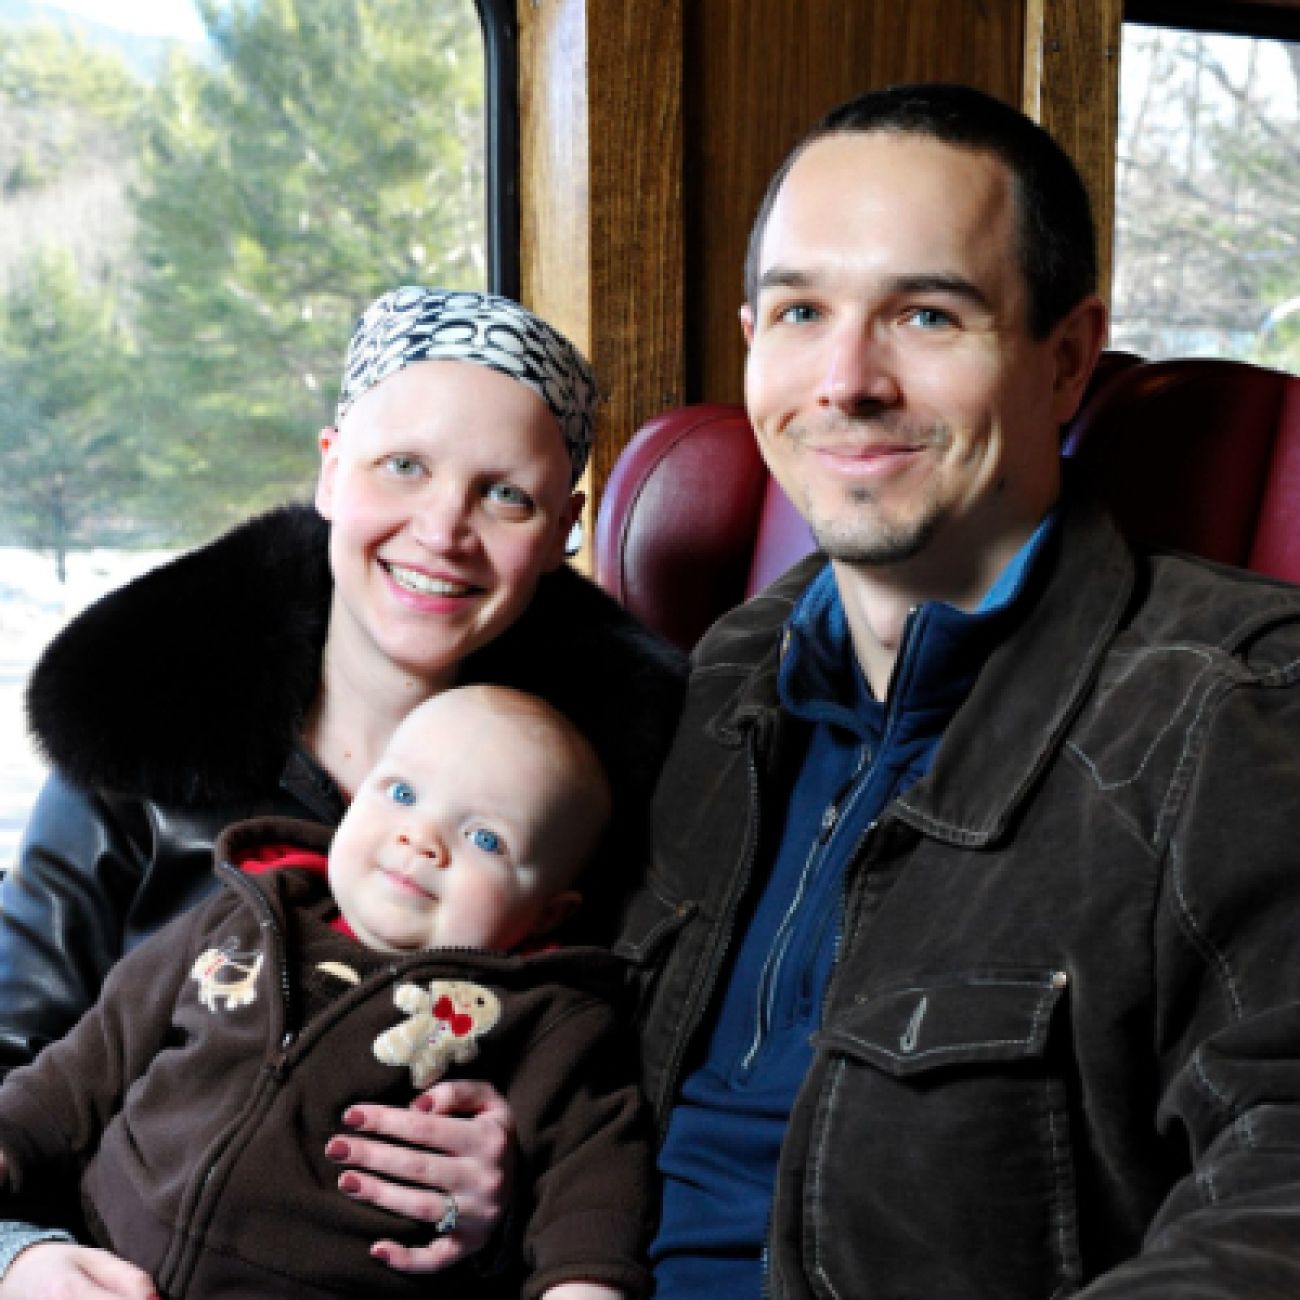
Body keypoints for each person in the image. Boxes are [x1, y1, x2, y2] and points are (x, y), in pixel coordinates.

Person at [622, 83, 1300, 1296]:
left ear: (1066, 357)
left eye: (926, 316)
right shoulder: (721, 677)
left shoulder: (1237, 709)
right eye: (798, 312)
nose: (844, 379)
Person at [0, 286, 684, 1297]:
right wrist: (19, 1257)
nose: (443, 528)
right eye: (402, 465)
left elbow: (612, 1147)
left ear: (562, 529)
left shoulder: (619, 804)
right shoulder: (145, 732)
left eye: (506, 495)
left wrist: (506, 1197)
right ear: (330, 467)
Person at [0, 684, 653, 1300]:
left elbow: (592, 1187)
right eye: (400, 792)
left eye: (485, 838)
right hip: (98, 1259)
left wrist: (580, 1284)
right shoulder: (237, 920)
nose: (420, 840)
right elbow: (86, 1066)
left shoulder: (546, 1017)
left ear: (548, 913)